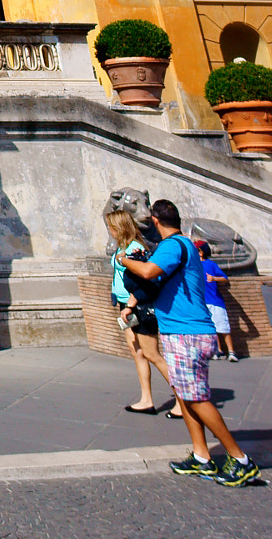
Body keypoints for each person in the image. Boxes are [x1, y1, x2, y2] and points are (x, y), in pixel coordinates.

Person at [119, 199, 259, 486]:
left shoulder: (173, 245)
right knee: (184, 395)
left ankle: (240, 459)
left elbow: (148, 273)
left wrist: (125, 260)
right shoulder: (183, 246)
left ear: (156, 222)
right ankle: (201, 456)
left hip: (187, 332)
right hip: (182, 330)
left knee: (195, 397)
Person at [104, 209, 182, 417]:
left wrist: (131, 303)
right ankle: (146, 399)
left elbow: (143, 280)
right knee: (136, 350)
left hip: (137, 305)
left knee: (151, 354)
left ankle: (183, 400)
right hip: (125, 304)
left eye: (111, 227)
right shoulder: (123, 246)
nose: (109, 231)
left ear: (119, 227)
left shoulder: (135, 248)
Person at [193, 235, 239, 361]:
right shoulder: (193, 266)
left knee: (223, 327)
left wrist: (213, 279)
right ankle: (219, 351)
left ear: (201, 252)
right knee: (211, 328)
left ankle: (231, 351)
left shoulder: (210, 264)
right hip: (202, 302)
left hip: (214, 301)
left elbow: (225, 278)